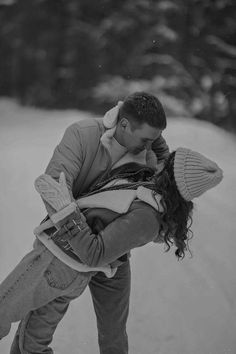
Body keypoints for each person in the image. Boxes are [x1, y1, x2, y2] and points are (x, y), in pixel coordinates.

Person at [0, 147, 223, 354]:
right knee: (31, 344)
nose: (161, 164)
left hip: (58, 265)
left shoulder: (147, 217)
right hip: (65, 267)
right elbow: (155, 145)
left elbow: (94, 253)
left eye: (168, 163)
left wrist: (65, 211)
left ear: (170, 176)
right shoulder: (147, 190)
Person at [7, 91, 170, 354]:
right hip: (68, 250)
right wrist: (83, 242)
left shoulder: (148, 155)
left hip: (112, 253)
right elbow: (54, 190)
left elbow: (164, 191)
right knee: (37, 333)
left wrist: (159, 151)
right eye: (147, 138)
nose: (151, 144)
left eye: (156, 139)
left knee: (114, 336)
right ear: (124, 124)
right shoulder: (82, 134)